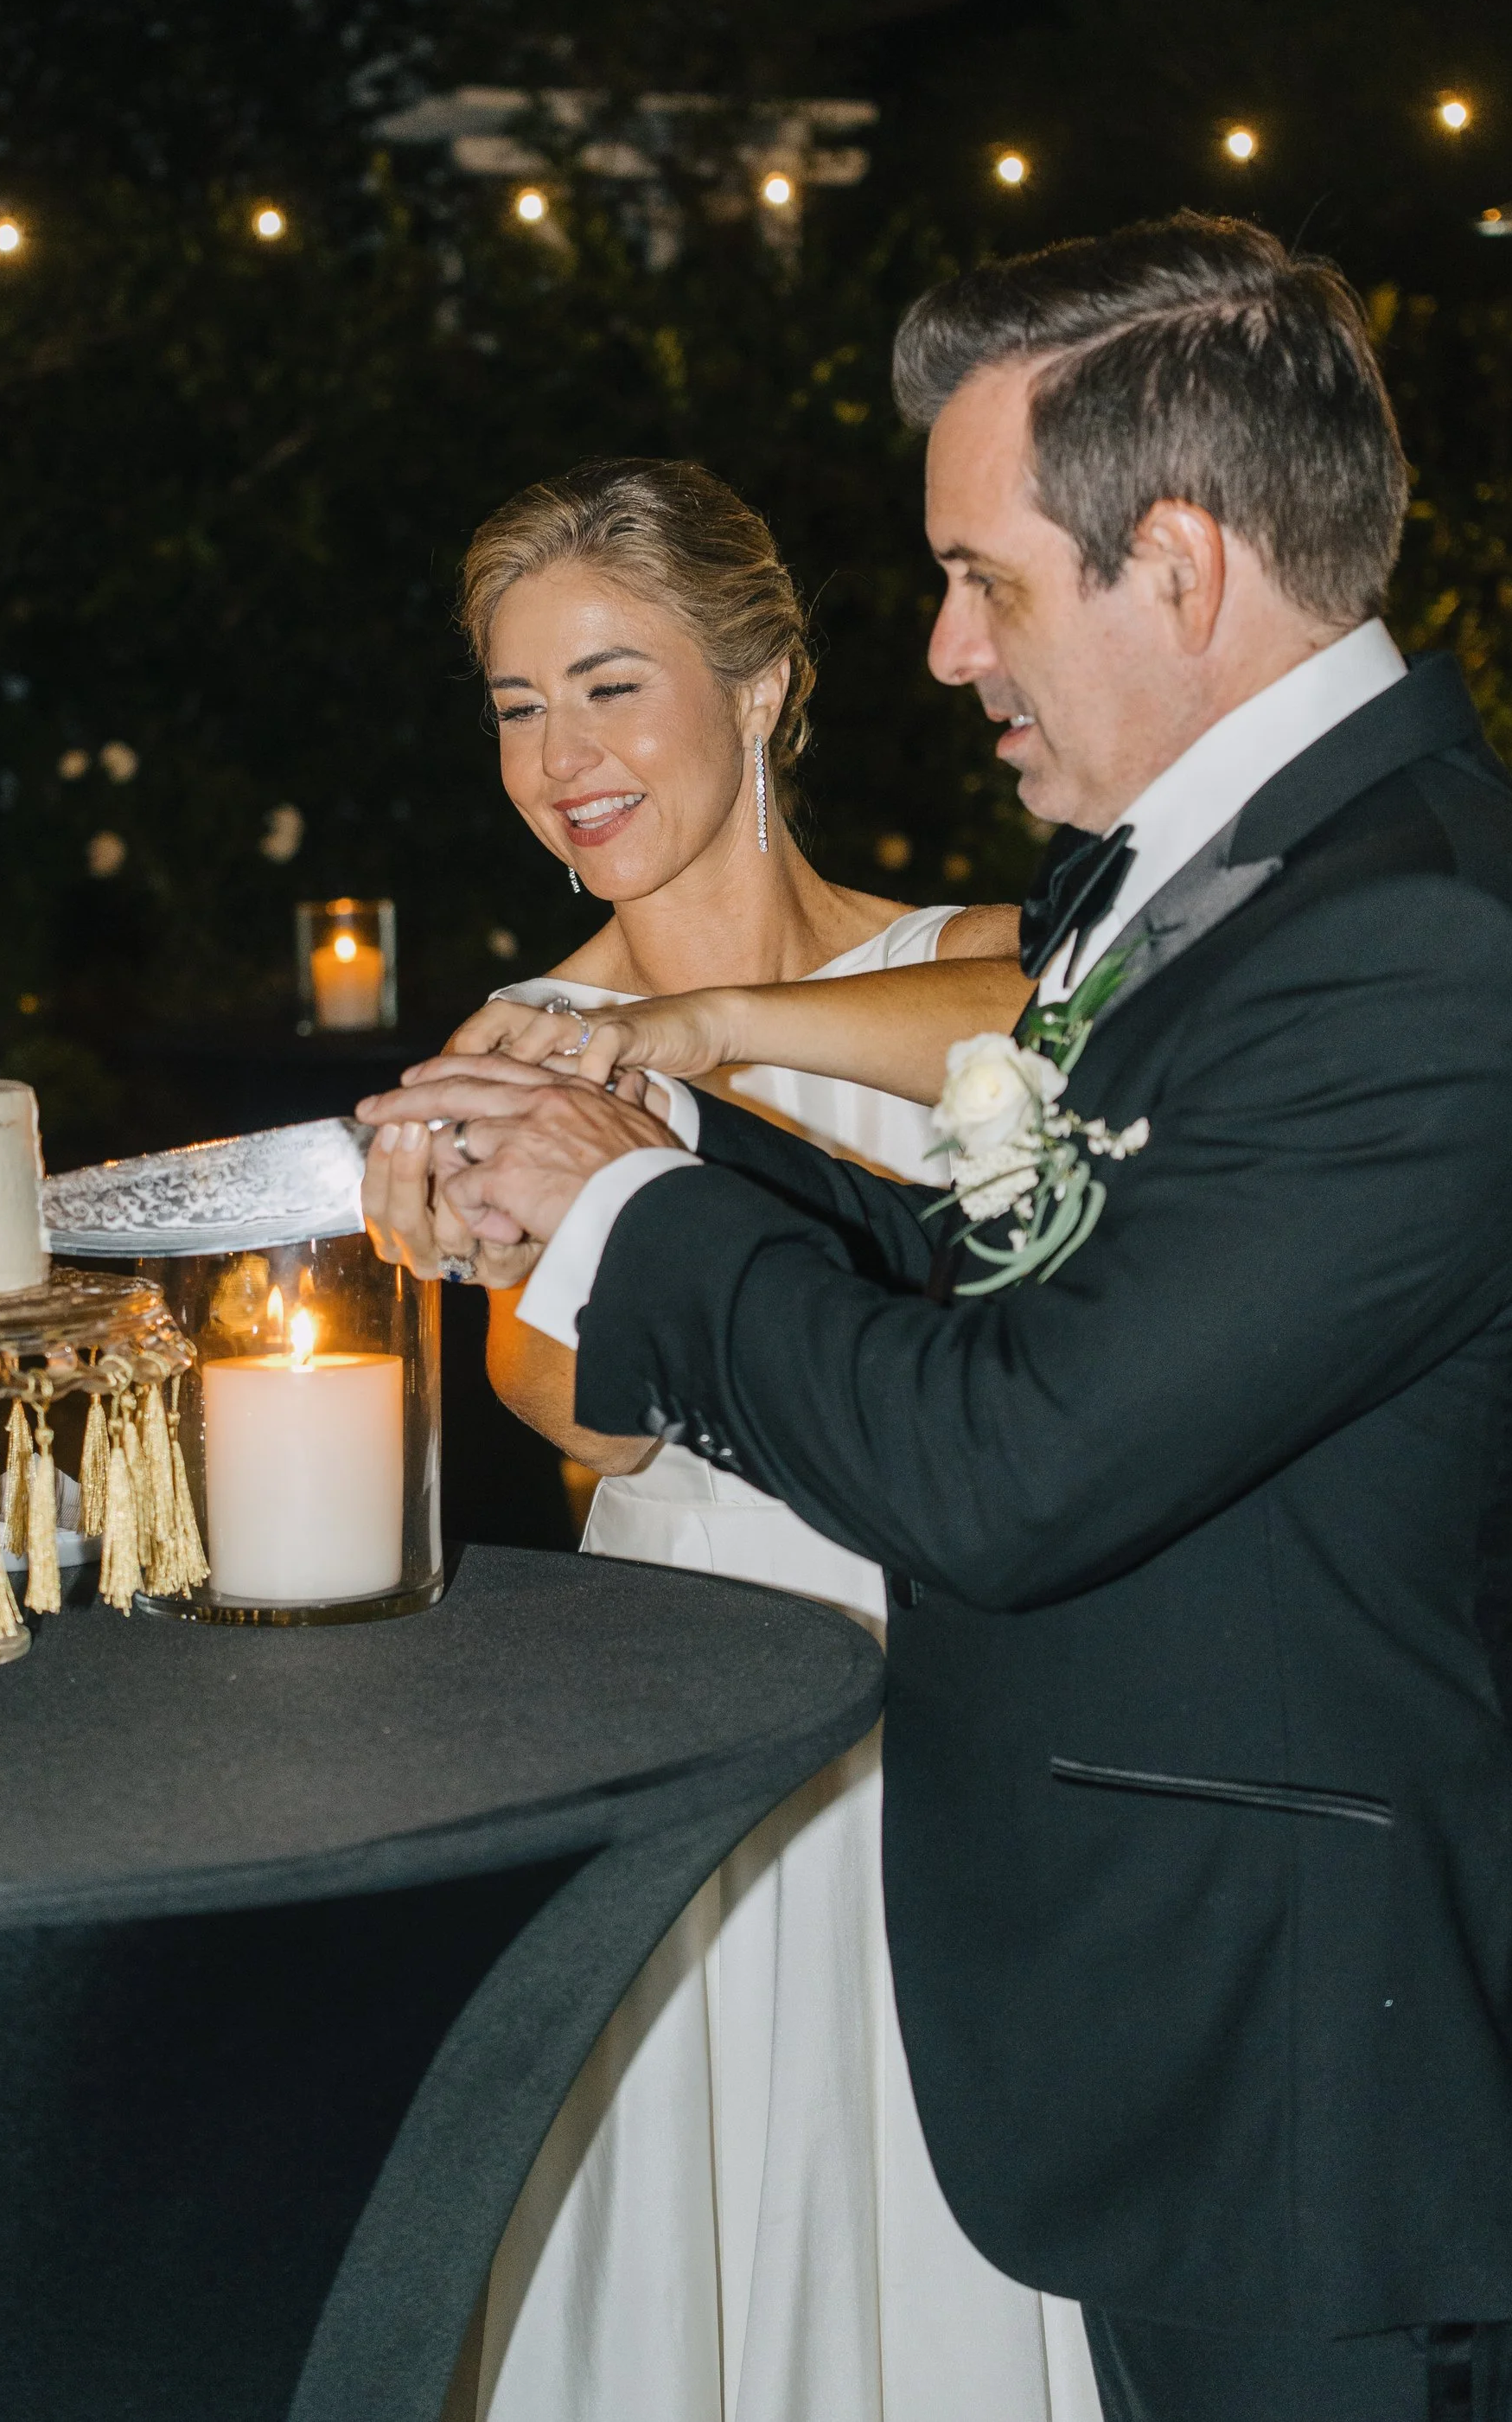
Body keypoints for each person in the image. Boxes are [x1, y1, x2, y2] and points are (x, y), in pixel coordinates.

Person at [369, 217, 1512, 2422]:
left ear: (1186, 561)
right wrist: (629, 1145)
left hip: (1310, 2081)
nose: (946, 650)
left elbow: (1009, 1463)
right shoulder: (1228, 888)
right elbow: (992, 1275)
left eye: (990, 579)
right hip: (1159, 2031)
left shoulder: (1407, 944)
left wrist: (635, 1190)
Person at [363, 457, 1101, 2422]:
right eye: (517, 705)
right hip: (705, 1736)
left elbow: (1073, 1038)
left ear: (763, 684)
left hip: (985, 1726)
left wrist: (713, 1041)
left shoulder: (960, 956)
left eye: (610, 684)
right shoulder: (512, 1039)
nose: (559, 758)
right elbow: (568, 1420)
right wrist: (498, 1213)